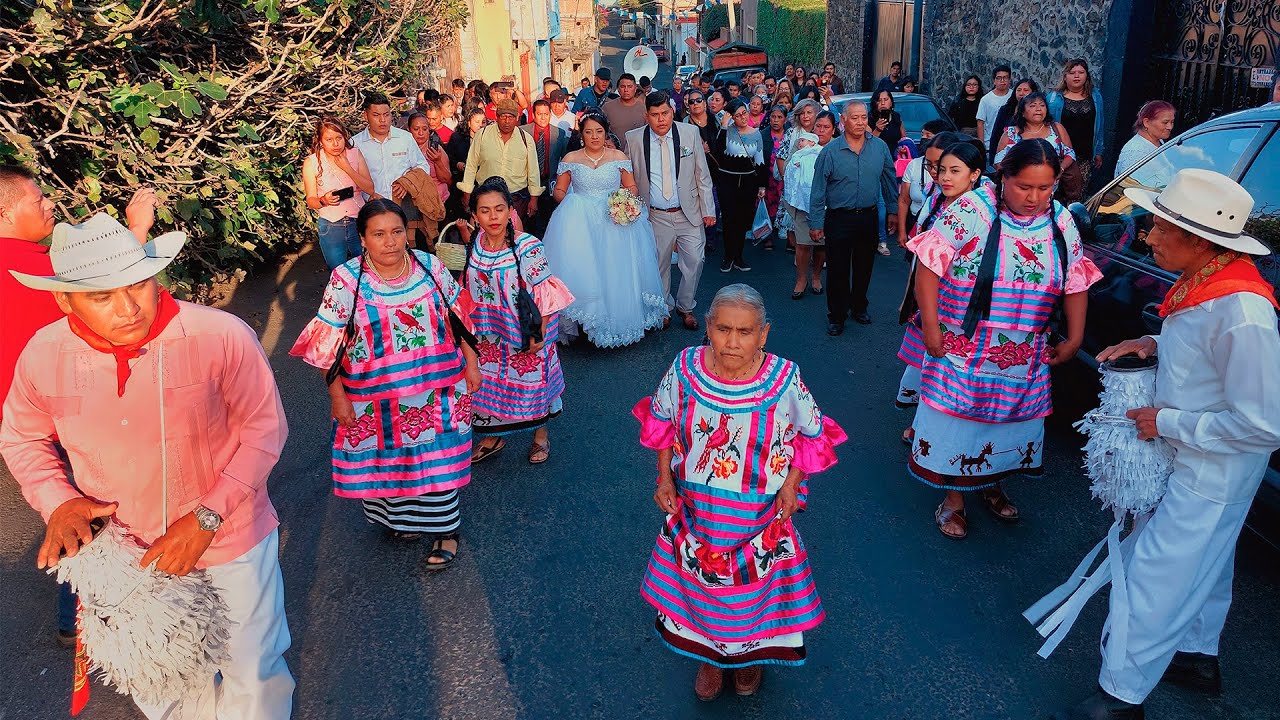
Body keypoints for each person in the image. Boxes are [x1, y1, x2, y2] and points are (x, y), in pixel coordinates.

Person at [1, 212, 295, 718]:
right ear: (64, 299)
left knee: (254, 668)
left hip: (231, 539)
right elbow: (22, 437)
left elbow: (266, 430)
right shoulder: (42, 355)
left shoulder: (220, 335)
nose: (128, 308)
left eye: (138, 284)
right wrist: (60, 501)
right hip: (124, 553)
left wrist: (207, 517)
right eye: (102, 296)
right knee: (162, 678)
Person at [1054, 169, 1280, 720]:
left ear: (1199, 239)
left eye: (1159, 227)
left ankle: (1119, 698)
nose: (1148, 235)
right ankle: (1194, 656)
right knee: (1207, 559)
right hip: (1203, 459)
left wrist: (1168, 422)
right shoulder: (1211, 283)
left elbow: (1264, 424)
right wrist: (1149, 340)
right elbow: (1203, 352)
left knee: (1154, 571)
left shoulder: (1242, 310)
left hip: (1211, 467)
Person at [632, 283, 847, 702]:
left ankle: (746, 659)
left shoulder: (786, 378)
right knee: (703, 588)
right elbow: (660, 419)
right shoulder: (685, 367)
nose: (732, 342)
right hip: (699, 510)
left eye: (745, 332)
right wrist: (663, 477)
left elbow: (811, 433)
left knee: (754, 591)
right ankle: (711, 657)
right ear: (708, 327)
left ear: (764, 334)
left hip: (759, 515)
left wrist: (791, 483)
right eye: (723, 329)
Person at [904, 138, 1101, 539]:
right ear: (1003, 177)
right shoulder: (970, 209)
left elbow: (1077, 277)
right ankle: (954, 500)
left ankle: (991, 483)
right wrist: (930, 325)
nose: (1034, 197)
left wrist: (1076, 336)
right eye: (1024, 187)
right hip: (962, 344)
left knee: (1007, 421)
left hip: (1023, 349)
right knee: (958, 421)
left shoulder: (1061, 221)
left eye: (1044, 188)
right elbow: (929, 266)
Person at [0, 167, 155, 647]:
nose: (49, 204)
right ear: (5, 211)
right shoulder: (36, 273)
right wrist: (138, 232)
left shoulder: (32, 264)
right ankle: (91, 612)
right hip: (65, 411)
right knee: (91, 507)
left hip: (20, 415)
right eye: (37, 198)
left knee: (67, 506)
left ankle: (79, 613)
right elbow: (112, 297)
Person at [289, 199, 480, 566]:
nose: (390, 241)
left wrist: (472, 363)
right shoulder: (346, 280)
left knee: (436, 459)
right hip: (372, 397)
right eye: (378, 234)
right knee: (388, 459)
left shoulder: (428, 266)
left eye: (396, 232)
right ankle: (403, 521)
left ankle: (445, 530)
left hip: (438, 388)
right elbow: (328, 344)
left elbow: (459, 316)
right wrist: (337, 397)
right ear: (362, 239)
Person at [461, 177, 573, 465]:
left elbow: (545, 293)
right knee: (488, 387)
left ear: (511, 210)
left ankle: (540, 438)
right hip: (488, 337)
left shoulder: (528, 247)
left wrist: (537, 334)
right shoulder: (475, 244)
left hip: (525, 332)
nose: (493, 217)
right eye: (484, 210)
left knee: (533, 387)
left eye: (499, 209)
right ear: (475, 215)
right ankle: (492, 437)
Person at [543, 112, 666, 347]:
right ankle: (587, 321)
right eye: (588, 132)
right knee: (585, 268)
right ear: (581, 134)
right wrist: (570, 200)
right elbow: (559, 191)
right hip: (580, 220)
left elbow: (630, 185)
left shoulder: (618, 156)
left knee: (615, 269)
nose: (594, 136)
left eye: (599, 131)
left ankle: (618, 321)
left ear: (606, 133)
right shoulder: (571, 158)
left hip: (614, 218)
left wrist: (624, 200)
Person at [894, 136, 991, 422]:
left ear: (974, 174)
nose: (942, 176)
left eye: (952, 170)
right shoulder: (937, 196)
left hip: (955, 303)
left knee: (945, 372)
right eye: (937, 168)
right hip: (930, 294)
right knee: (927, 360)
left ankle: (925, 427)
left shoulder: (975, 210)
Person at [625, 92, 717, 331]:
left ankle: (685, 306)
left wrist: (708, 209)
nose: (661, 119)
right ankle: (663, 308)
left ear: (672, 111)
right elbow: (628, 176)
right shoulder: (634, 139)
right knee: (659, 263)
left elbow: (702, 174)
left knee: (695, 260)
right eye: (654, 115)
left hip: (689, 211)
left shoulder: (689, 133)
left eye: (665, 113)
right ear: (646, 116)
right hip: (654, 214)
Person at [809, 101, 897, 335]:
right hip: (838, 218)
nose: (860, 122)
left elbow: (889, 180)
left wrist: (893, 211)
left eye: (864, 117)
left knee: (864, 266)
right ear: (843, 120)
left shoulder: (879, 147)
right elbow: (818, 190)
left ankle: (859, 306)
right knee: (837, 269)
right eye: (855, 118)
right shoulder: (830, 151)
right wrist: (816, 222)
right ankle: (836, 315)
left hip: (868, 217)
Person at [302, 116, 377, 268]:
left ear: (345, 137)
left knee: (366, 269)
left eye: (339, 138)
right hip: (331, 224)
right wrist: (323, 200)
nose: (335, 144)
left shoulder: (355, 154)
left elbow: (370, 188)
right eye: (329, 139)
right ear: (320, 141)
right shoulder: (312, 162)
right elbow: (310, 200)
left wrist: (348, 168)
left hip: (359, 220)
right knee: (337, 272)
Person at [458, 99, 543, 229]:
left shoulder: (526, 139)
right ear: (496, 117)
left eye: (511, 117)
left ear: (517, 118)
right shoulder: (482, 135)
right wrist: (467, 194)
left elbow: (533, 172)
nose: (507, 121)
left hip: (516, 199)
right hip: (486, 197)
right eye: (503, 116)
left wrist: (534, 199)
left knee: (514, 238)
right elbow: (471, 166)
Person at [708, 99, 768, 273]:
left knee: (742, 221)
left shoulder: (756, 134)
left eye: (744, 112)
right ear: (732, 117)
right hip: (728, 182)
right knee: (728, 220)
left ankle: (739, 256)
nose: (742, 117)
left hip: (748, 183)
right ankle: (728, 256)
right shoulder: (727, 131)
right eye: (738, 115)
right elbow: (718, 151)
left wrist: (761, 186)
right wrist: (725, 126)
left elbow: (760, 162)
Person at [353, 93, 432, 209]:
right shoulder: (355, 144)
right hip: (370, 207)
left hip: (403, 205)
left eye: (386, 115)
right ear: (366, 116)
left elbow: (423, 167)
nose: (382, 120)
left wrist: (406, 183)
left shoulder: (405, 138)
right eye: (376, 115)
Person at [1047, 58, 1105, 202]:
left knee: (1077, 194)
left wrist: (1098, 151)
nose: (1077, 76)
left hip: (1084, 155)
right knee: (1054, 193)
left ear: (1087, 76)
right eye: (1072, 72)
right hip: (1059, 155)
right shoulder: (1054, 98)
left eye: (1081, 72)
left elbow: (1100, 124)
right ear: (1065, 76)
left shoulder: (1095, 97)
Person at [783, 131, 825, 298]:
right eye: (819, 126)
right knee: (802, 243)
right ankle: (801, 279)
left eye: (826, 126)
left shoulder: (825, 150)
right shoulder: (798, 153)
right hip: (801, 202)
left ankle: (816, 277)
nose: (800, 143)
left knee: (821, 244)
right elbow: (790, 171)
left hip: (823, 203)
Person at [520, 99, 570, 237]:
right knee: (529, 223)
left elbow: (565, 160)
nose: (543, 117)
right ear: (534, 115)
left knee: (548, 223)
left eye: (546, 114)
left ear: (550, 114)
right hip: (527, 184)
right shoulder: (522, 132)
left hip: (549, 183)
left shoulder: (559, 134)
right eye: (539, 114)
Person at [994, 91, 1076, 171]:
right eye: (1033, 106)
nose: (1038, 109)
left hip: (1053, 182)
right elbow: (998, 161)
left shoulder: (1057, 128)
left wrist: (1060, 168)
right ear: (1022, 112)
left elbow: (1070, 153)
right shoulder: (1010, 133)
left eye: (1042, 105)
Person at [1115, 100, 1177, 184]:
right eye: (1165, 122)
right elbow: (1133, 188)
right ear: (1146, 122)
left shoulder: (1160, 141)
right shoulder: (1135, 152)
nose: (1170, 127)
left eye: (1172, 122)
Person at [444, 108, 487, 222]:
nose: (480, 125)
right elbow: (449, 156)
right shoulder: (457, 138)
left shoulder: (489, 139)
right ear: (469, 122)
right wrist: (457, 164)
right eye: (477, 122)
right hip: (461, 182)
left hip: (482, 183)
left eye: (483, 122)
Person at [988, 78, 1040, 166]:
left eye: (1026, 90)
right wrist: (993, 160)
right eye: (1018, 90)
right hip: (1007, 157)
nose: (1021, 93)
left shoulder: (1037, 112)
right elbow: (996, 135)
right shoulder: (1006, 110)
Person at [761, 105, 790, 251]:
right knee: (767, 206)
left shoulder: (790, 135)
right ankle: (766, 236)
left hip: (785, 177)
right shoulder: (763, 135)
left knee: (785, 204)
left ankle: (786, 231)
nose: (776, 120)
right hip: (768, 177)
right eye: (773, 117)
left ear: (785, 119)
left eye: (779, 117)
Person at [601, 73, 647, 151]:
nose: (626, 90)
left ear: (635, 88)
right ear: (618, 89)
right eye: (623, 87)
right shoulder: (607, 107)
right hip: (614, 154)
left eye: (629, 87)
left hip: (638, 153)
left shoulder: (644, 108)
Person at [976, 64, 1013, 157]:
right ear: (994, 81)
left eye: (1005, 78)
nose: (1002, 81)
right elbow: (980, 122)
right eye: (999, 78)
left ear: (1009, 80)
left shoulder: (1014, 96)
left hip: (1010, 143)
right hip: (990, 144)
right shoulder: (986, 99)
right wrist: (981, 145)